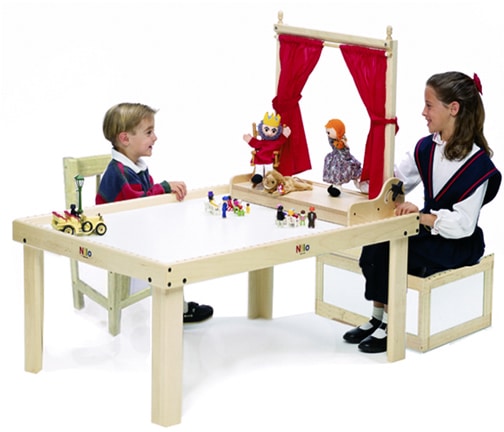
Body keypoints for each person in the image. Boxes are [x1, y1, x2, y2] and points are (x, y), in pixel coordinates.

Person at [343, 71, 501, 353]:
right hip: (426, 229)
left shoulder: (478, 165)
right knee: (376, 243)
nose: (423, 112)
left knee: (393, 252)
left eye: (429, 105)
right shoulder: (427, 147)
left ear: (453, 109)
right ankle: (378, 317)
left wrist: (421, 217)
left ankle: (391, 324)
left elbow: (464, 224)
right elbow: (396, 180)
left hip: (456, 242)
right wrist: (362, 174)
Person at [96, 102, 214, 323]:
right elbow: (139, 203)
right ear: (125, 138)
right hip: (119, 238)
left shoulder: (136, 165)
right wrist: (164, 188)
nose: (155, 137)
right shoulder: (118, 172)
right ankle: (176, 309)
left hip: (135, 230)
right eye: (149, 132)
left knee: (178, 239)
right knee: (172, 249)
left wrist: (163, 195)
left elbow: (147, 197)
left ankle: (177, 304)